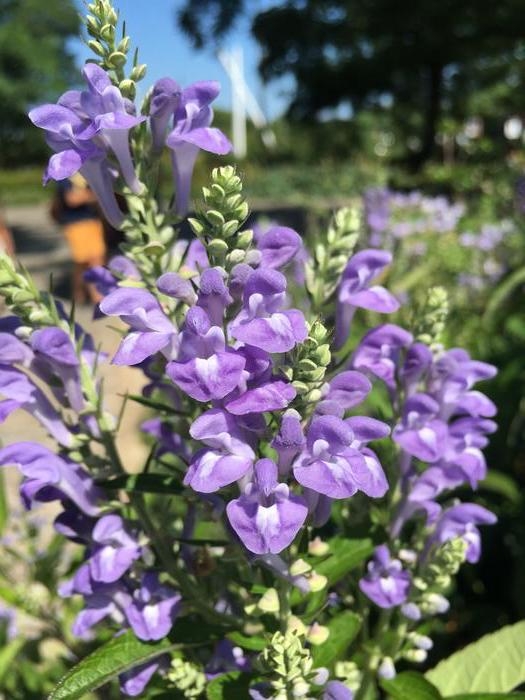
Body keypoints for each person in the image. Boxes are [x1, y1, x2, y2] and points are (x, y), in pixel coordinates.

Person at [54, 174, 106, 304]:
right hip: (75, 223)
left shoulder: (84, 174)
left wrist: (88, 196)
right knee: (81, 262)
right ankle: (78, 292)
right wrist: (94, 195)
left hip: (92, 221)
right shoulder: (64, 174)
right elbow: (72, 199)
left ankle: (96, 295)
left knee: (96, 257)